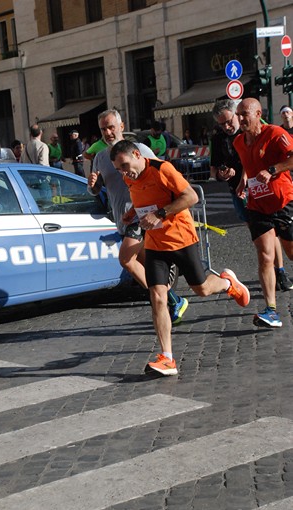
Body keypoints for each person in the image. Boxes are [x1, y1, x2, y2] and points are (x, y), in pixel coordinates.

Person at [110, 140, 250, 376]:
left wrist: (160, 213)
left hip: (180, 238)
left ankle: (228, 283)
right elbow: (143, 198)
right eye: (119, 170)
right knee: (157, 296)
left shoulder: (162, 169)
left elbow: (191, 197)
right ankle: (167, 357)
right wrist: (133, 212)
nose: (124, 173)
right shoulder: (129, 177)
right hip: (155, 242)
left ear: (136, 154)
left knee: (202, 288)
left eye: (125, 165)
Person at [87, 109, 188, 325]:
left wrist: (162, 210)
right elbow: (96, 190)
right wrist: (93, 186)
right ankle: (173, 300)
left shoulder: (140, 149)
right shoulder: (100, 157)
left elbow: (160, 175)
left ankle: (162, 300)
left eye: (111, 127)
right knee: (145, 265)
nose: (108, 132)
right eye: (103, 129)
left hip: (142, 215)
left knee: (126, 259)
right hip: (122, 217)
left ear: (121, 126)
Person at [212, 98, 293, 292]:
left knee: (282, 240)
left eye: (230, 120)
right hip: (244, 195)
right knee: (263, 238)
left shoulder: (253, 130)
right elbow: (215, 168)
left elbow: (255, 161)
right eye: (222, 124)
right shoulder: (220, 139)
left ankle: (279, 269)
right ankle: (272, 297)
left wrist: (253, 174)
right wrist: (227, 176)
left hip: (273, 192)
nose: (228, 126)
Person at [234, 98, 293, 328]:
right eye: (238, 114)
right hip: (257, 205)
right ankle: (272, 310)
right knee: (265, 255)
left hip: (283, 202)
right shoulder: (239, 141)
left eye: (244, 114)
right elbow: (248, 163)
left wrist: (273, 170)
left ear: (258, 113)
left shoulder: (276, 133)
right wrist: (243, 180)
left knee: (290, 252)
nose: (240, 119)